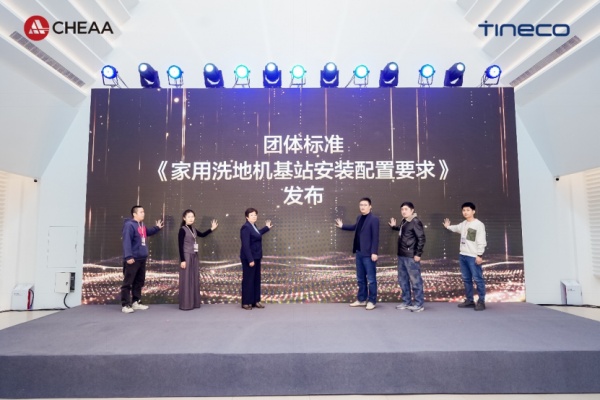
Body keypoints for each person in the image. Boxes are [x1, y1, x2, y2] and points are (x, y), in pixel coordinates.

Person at [335, 197, 379, 310]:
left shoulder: (374, 219)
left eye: (365, 205)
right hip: (359, 252)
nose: (362, 207)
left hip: (369, 254)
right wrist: (343, 226)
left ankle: (372, 301)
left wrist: (374, 252)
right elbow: (355, 227)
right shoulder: (359, 217)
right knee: (360, 279)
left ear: (370, 206)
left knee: (371, 279)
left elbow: (375, 237)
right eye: (361, 205)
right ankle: (361, 299)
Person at [443, 202, 488, 311]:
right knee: (467, 279)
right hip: (463, 255)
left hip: (473, 256)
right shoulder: (464, 224)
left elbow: (481, 241)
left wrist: (479, 255)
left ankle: (481, 301)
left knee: (478, 279)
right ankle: (470, 300)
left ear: (473, 211)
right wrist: (448, 226)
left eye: (468, 210)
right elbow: (456, 228)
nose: (465, 212)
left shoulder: (478, 224)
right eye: (463, 210)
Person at [121, 205, 164, 313]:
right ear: (134, 214)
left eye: (143, 211)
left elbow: (147, 232)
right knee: (128, 282)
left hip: (142, 258)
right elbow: (126, 241)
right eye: (141, 212)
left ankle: (136, 302)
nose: (143, 213)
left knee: (139, 281)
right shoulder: (129, 225)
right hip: (133, 259)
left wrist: (157, 228)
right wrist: (128, 256)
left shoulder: (141, 225)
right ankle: (125, 305)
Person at [388, 201, 426, 312]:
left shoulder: (415, 221)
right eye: (402, 209)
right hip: (402, 255)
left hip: (411, 256)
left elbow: (421, 238)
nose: (403, 211)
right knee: (403, 280)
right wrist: (394, 227)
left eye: (406, 209)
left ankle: (419, 304)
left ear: (412, 210)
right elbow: (404, 232)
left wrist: (418, 254)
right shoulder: (405, 221)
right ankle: (406, 302)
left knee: (415, 281)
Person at [178, 209, 218, 311]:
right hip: (187, 256)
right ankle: (186, 304)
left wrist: (212, 229)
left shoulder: (193, 229)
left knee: (194, 278)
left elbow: (203, 235)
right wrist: (182, 260)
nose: (191, 218)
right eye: (189, 217)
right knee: (187, 279)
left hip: (194, 256)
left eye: (192, 216)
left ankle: (194, 302)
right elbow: (180, 245)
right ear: (184, 218)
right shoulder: (182, 230)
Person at [240, 208, 273, 310]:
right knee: (248, 280)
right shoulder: (245, 227)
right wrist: (250, 259)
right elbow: (245, 245)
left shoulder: (253, 226)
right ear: (247, 217)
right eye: (252, 215)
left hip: (257, 257)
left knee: (256, 280)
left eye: (255, 215)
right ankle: (246, 302)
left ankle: (255, 301)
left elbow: (258, 233)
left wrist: (266, 228)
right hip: (249, 258)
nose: (254, 216)